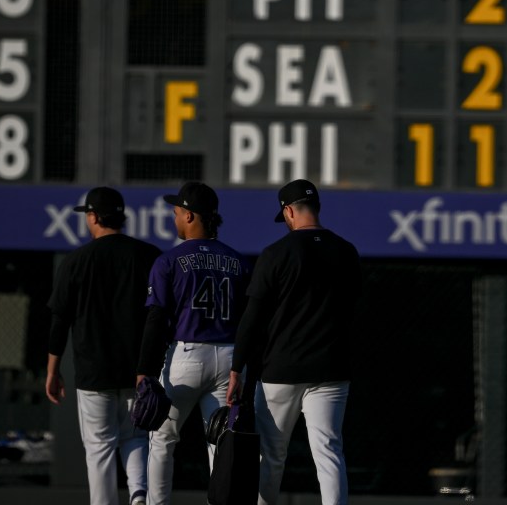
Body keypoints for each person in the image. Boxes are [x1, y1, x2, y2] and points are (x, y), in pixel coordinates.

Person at [226, 178, 362, 505]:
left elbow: (252, 318)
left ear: (288, 211)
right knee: (329, 452)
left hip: (281, 370)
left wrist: (236, 369)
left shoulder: (276, 253)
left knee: (271, 455)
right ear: (316, 208)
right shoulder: (346, 251)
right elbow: (354, 309)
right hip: (331, 368)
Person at [136, 181, 251, 505]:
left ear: (189, 215)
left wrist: (144, 369)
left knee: (161, 440)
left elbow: (156, 319)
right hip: (229, 359)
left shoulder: (169, 261)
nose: (174, 218)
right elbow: (248, 321)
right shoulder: (238, 261)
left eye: (176, 212)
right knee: (221, 443)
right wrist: (241, 367)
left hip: (186, 356)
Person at [46, 186, 162, 505]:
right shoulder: (148, 255)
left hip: (93, 370)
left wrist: (53, 372)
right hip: (137, 367)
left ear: (94, 217)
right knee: (137, 436)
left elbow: (59, 321)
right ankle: (139, 493)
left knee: (100, 447)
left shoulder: (75, 261)